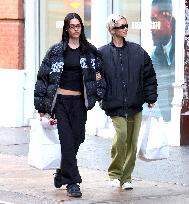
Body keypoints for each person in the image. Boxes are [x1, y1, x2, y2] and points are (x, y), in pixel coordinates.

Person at [34, 13, 105, 197]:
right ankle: (73, 182)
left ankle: (62, 173)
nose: (76, 29)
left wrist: (98, 86)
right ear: (66, 28)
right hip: (61, 102)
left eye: (78, 25)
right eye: (72, 26)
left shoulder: (89, 51)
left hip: (80, 102)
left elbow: (100, 74)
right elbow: (43, 78)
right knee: (66, 141)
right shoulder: (56, 51)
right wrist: (41, 106)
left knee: (78, 137)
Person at [99, 14, 158, 190]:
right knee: (122, 136)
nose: (125, 28)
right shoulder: (102, 53)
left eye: (126, 25)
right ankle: (115, 173)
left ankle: (126, 178)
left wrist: (151, 97)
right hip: (114, 104)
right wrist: (102, 94)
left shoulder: (137, 51)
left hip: (134, 104)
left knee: (132, 142)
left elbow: (149, 74)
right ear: (112, 30)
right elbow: (96, 78)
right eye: (121, 26)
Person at [151, 0, 175, 121]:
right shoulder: (155, 56)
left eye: (154, 22)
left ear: (168, 20)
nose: (151, 29)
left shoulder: (183, 49)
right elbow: (161, 92)